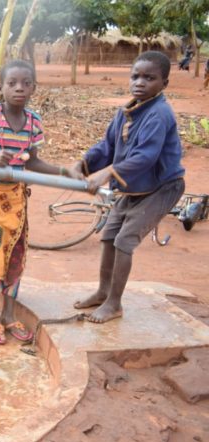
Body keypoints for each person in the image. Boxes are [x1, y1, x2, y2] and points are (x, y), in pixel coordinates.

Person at [0, 60, 79, 345]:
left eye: (25, 83)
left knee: (15, 257)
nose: (19, 88)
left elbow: (33, 162)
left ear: (34, 87)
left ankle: (10, 315)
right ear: (1, 88)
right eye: (12, 83)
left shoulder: (33, 121)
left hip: (17, 199)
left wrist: (63, 171)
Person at [67, 51, 185, 323]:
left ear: (164, 84)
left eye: (149, 78)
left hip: (161, 188)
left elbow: (146, 157)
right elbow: (107, 146)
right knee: (108, 236)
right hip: (132, 188)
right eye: (135, 76)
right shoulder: (126, 112)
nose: (140, 83)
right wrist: (82, 163)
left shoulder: (159, 114)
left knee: (124, 240)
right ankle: (103, 292)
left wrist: (106, 173)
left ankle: (114, 304)